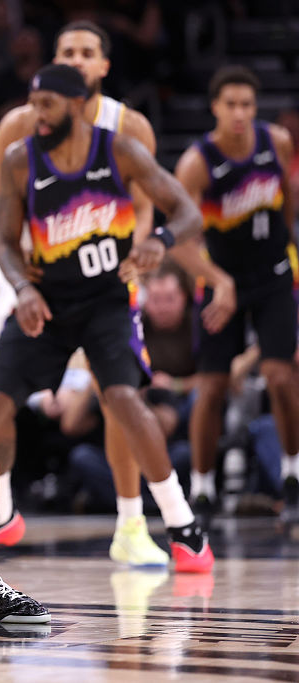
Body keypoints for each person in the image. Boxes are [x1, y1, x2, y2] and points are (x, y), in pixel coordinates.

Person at [0, 20, 229, 568]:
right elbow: (6, 244)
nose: (38, 116)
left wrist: (156, 241)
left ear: (80, 105)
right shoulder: (20, 159)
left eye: (49, 106)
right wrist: (21, 287)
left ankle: (182, 523)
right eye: (34, 104)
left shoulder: (123, 148)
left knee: (125, 401)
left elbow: (183, 210)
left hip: (106, 299)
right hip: (46, 299)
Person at [174, 65, 299, 520]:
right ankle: (203, 489)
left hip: (273, 276)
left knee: (282, 376)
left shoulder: (277, 143)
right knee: (210, 387)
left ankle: (293, 473)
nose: (240, 113)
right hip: (222, 280)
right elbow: (181, 240)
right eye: (231, 104)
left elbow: (288, 200)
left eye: (247, 104)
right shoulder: (196, 162)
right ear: (215, 108)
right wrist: (218, 280)